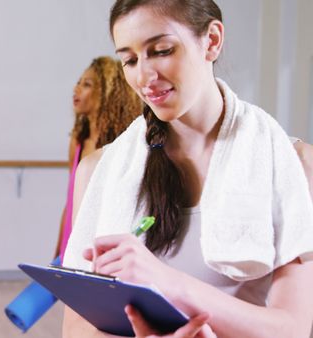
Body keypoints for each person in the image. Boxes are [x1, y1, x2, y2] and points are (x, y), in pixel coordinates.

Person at [62, 0, 313, 337]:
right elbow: (76, 327)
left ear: (211, 41)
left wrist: (166, 281)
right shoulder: (99, 170)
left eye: (162, 50)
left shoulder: (295, 164)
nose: (144, 77)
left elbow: (292, 329)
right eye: (130, 60)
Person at [55, 56, 141, 258]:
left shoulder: (122, 144)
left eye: (87, 84)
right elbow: (70, 199)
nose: (76, 89)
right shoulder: (78, 139)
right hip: (73, 232)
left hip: (102, 235)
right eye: (78, 82)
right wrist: (58, 249)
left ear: (106, 93)